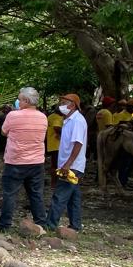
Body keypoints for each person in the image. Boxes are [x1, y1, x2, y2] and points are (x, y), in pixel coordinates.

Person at [0, 87, 48, 232]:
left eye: (19, 99)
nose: (18, 102)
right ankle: (41, 223)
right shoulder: (43, 117)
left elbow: (3, 132)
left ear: (26, 100)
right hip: (37, 162)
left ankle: (5, 225)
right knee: (36, 194)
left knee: (9, 195)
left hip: (15, 161)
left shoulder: (13, 116)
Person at [46, 93, 87, 232]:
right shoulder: (68, 120)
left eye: (63, 103)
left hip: (72, 166)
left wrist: (68, 164)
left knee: (60, 195)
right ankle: (75, 225)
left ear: (73, 105)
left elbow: (78, 143)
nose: (60, 105)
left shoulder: (77, 121)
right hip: (70, 164)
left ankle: (50, 225)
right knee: (73, 197)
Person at [45, 106, 63, 188]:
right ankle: (55, 183)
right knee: (57, 165)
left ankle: (54, 182)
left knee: (54, 164)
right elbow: (56, 127)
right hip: (57, 144)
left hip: (51, 143)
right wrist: (64, 134)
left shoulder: (50, 116)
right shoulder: (58, 117)